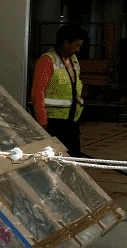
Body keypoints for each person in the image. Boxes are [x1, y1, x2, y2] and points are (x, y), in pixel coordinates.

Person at [32, 23, 89, 157]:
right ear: (66, 42)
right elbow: (37, 92)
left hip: (71, 122)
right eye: (76, 45)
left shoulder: (73, 60)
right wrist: (42, 123)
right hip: (54, 123)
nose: (78, 50)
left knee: (73, 158)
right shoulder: (47, 61)